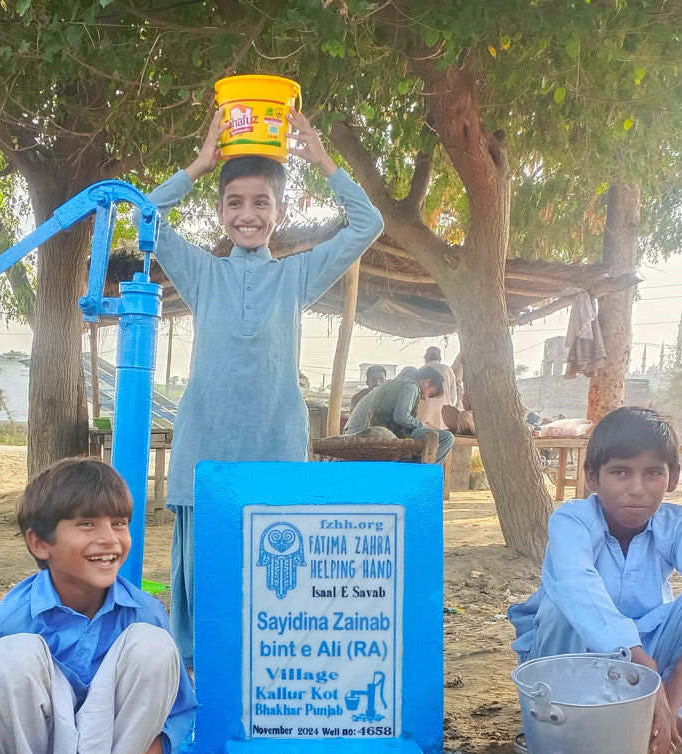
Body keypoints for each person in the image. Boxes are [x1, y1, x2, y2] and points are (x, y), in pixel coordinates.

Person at [149, 108, 384, 667]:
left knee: (275, 583)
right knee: (204, 590)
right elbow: (144, 219)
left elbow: (367, 224)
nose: (247, 214)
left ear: (279, 213)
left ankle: (269, 687)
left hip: (273, 449)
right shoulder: (200, 271)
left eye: (261, 203)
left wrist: (324, 161)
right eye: (235, 202)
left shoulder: (295, 274)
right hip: (204, 449)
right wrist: (202, 164)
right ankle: (202, 693)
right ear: (219, 210)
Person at [0, 457, 197, 754]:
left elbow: (173, 715)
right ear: (40, 543)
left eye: (119, 523)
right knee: (14, 657)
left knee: (154, 647)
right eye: (87, 524)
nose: (110, 539)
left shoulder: (145, 614)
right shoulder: (10, 621)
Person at [508, 407, 682, 754]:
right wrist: (639, 661)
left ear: (672, 477)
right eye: (620, 472)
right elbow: (577, 586)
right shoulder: (571, 520)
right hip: (565, 657)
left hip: (651, 665)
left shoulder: (675, 524)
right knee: (565, 605)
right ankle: (552, 719)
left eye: (652, 473)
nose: (637, 489)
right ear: (592, 476)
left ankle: (665, 714)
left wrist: (665, 690)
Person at [354, 366, 454, 463]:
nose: (426, 397)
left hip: (379, 428)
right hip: (391, 432)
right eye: (430, 392)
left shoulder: (397, 382)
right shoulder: (412, 386)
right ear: (427, 382)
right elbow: (401, 417)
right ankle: (423, 472)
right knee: (447, 438)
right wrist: (424, 425)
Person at [416, 346, 458, 430]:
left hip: (423, 415)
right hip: (444, 416)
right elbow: (453, 396)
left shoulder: (421, 371)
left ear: (426, 357)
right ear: (440, 357)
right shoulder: (448, 370)